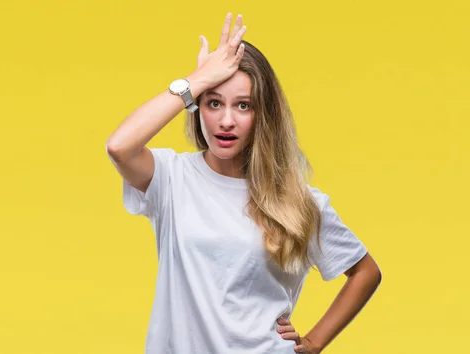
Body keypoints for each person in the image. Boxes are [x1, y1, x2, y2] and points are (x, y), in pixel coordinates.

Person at [106, 13, 382, 354]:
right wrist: (196, 80)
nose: (226, 121)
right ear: (197, 107)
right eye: (213, 102)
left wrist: (314, 342)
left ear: (261, 114)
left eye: (243, 106)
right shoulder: (171, 178)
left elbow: (366, 271)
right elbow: (119, 146)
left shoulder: (298, 202)